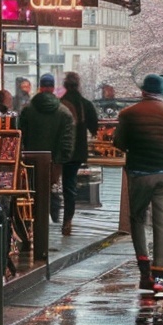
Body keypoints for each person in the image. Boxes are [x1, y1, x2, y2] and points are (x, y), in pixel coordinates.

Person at [114, 74, 163, 298]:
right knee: (160, 220)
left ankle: (144, 270)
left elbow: (119, 142)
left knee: (137, 218)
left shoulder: (128, 114)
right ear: (161, 92)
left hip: (139, 174)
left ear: (143, 91)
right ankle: (160, 278)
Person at [59, 72, 100, 236]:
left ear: (65, 86)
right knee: (69, 186)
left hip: (60, 151)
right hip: (77, 152)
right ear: (78, 85)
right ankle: (67, 221)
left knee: (54, 183)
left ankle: (46, 216)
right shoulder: (86, 104)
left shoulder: (59, 104)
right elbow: (94, 127)